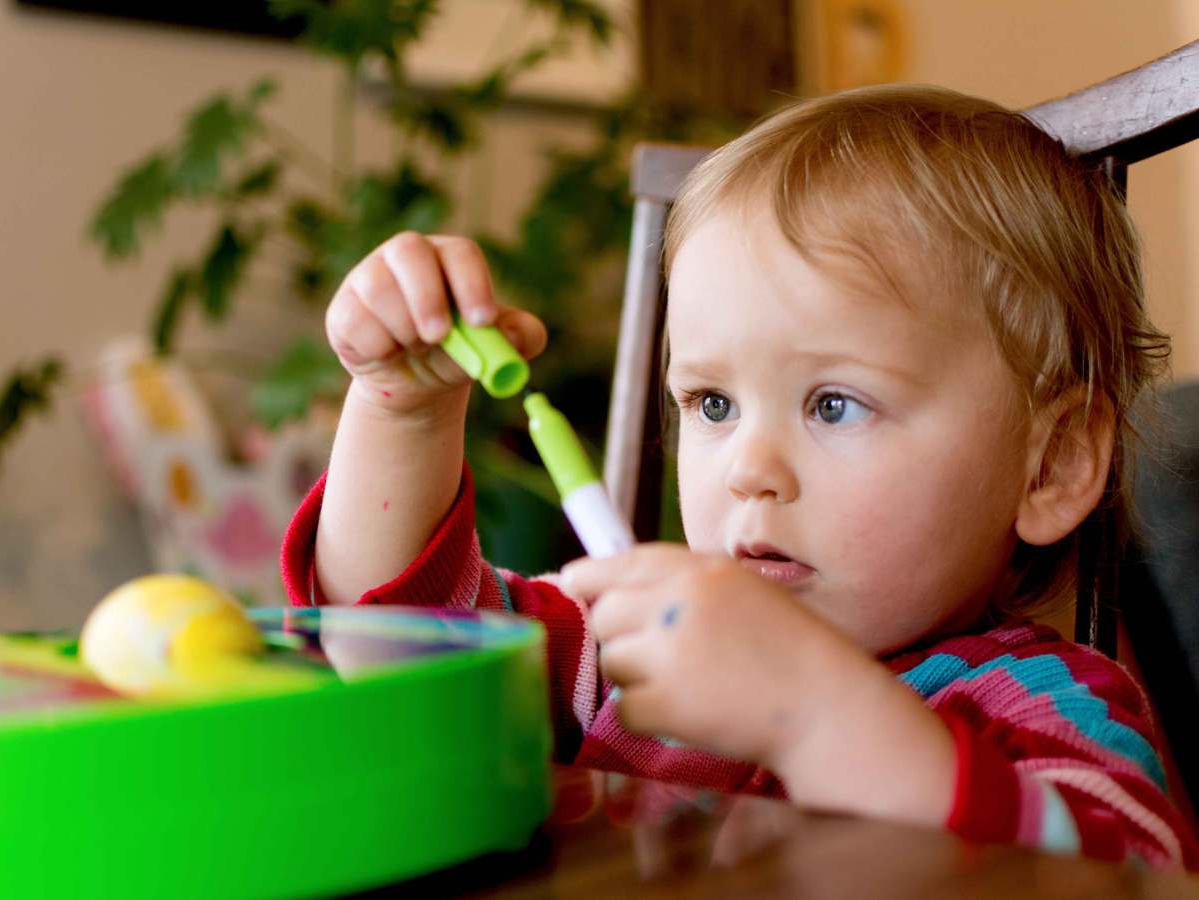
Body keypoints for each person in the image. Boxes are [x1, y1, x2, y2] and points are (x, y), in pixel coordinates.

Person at [281, 84, 1198, 869]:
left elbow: (1119, 877)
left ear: (1053, 464)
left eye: (835, 404)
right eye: (713, 405)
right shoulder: (626, 651)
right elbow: (392, 649)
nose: (749, 470)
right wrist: (400, 412)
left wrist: (810, 716)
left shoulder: (1040, 709)